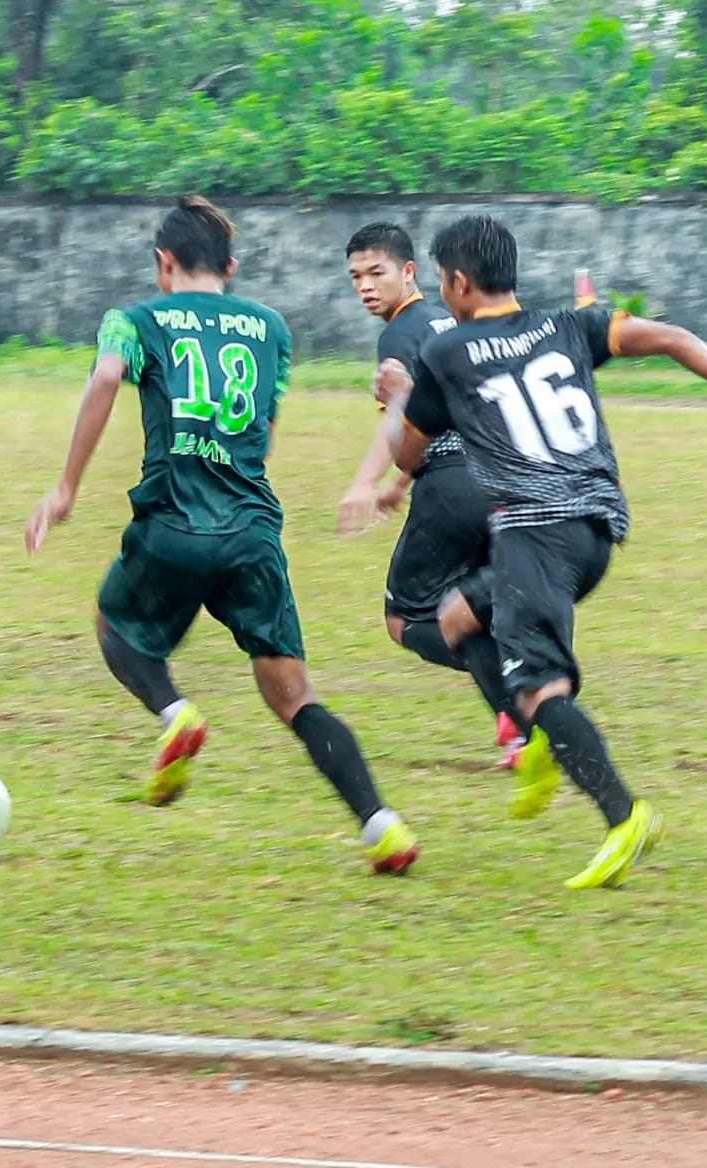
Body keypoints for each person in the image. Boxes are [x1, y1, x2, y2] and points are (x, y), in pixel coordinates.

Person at [377, 215, 707, 889]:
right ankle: (535, 743)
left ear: (456, 283)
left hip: (533, 531)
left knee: (544, 689)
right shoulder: (569, 325)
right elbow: (672, 337)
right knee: (459, 618)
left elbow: (410, 453)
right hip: (597, 528)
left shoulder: (446, 354)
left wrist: (399, 399)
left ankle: (622, 815)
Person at [26, 195, 418, 874]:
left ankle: (175, 713)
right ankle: (381, 824)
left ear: (163, 263)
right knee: (296, 698)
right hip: (251, 531)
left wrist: (65, 486)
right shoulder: (270, 327)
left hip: (173, 521)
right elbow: (261, 431)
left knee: (113, 625)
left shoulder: (133, 320)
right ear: (230, 266)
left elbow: (107, 376)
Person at [339, 222, 527, 765]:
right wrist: (399, 482)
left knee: (409, 618)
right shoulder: (457, 318)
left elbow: (399, 420)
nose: (366, 287)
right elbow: (449, 413)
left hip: (453, 488)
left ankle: (518, 718)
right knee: (480, 606)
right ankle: (518, 707)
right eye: (356, 277)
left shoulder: (400, 332)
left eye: (377, 273)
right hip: (506, 480)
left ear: (410, 273)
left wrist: (365, 481)